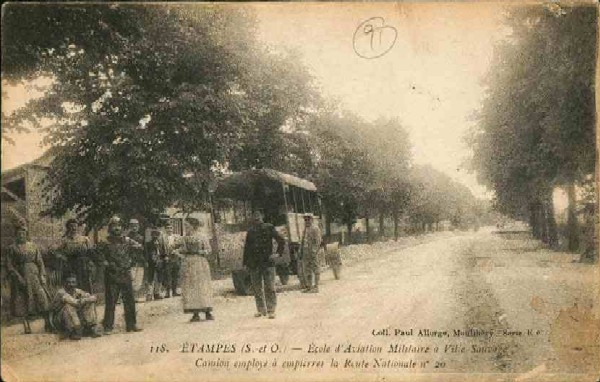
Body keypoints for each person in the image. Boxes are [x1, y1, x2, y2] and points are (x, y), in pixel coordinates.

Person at [98, 216, 143, 333]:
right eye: (114, 226)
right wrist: (105, 262)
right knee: (111, 300)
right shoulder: (105, 242)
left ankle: (131, 325)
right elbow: (97, 255)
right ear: (110, 228)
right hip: (112, 274)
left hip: (125, 273)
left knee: (129, 300)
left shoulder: (127, 240)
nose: (117, 228)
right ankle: (108, 326)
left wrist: (131, 260)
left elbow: (140, 248)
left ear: (122, 228)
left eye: (119, 226)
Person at [5, 225, 52, 334]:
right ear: (16, 235)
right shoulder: (12, 248)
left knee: (42, 297)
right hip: (21, 277)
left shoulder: (33, 247)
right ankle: (26, 325)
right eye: (19, 234)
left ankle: (48, 323)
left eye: (23, 233)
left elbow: (40, 262)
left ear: (26, 235)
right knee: (22, 300)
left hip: (34, 276)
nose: (21, 235)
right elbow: (9, 265)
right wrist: (18, 277)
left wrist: (42, 276)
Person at [242, 211, 285, 319]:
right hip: (254, 263)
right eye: (254, 217)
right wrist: (245, 263)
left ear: (262, 217)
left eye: (258, 216)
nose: (256, 218)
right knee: (257, 288)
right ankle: (261, 310)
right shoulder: (250, 231)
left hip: (267, 262)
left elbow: (281, 240)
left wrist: (277, 254)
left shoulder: (269, 227)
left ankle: (271, 310)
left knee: (270, 287)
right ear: (252, 218)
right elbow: (247, 248)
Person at [180, 218, 214, 321]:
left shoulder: (202, 236)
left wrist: (201, 251)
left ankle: (207, 311)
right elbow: (183, 250)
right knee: (191, 287)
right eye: (185, 226)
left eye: (187, 225)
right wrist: (181, 251)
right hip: (189, 263)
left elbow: (209, 250)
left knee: (202, 286)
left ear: (193, 225)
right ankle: (195, 313)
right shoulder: (185, 238)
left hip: (200, 263)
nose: (186, 227)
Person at [50, 275, 101, 340]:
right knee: (69, 306)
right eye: (69, 282)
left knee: (88, 302)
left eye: (73, 282)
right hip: (58, 319)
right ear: (64, 283)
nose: (71, 284)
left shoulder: (76, 290)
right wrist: (88, 299)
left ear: (76, 283)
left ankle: (90, 326)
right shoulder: (61, 292)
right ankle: (74, 330)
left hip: (68, 318)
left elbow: (86, 295)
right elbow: (75, 302)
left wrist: (90, 297)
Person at [60, 219, 95, 292]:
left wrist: (90, 264)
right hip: (71, 265)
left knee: (85, 283)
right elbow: (60, 253)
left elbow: (91, 253)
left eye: (75, 226)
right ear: (68, 228)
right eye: (71, 226)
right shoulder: (65, 240)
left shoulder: (84, 239)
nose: (74, 228)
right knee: (73, 283)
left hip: (83, 265)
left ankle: (87, 301)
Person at [299, 214, 323, 293]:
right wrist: (300, 251)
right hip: (305, 252)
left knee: (315, 269)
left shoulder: (315, 228)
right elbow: (302, 241)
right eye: (305, 220)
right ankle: (309, 287)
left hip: (312, 252)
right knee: (307, 270)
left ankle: (316, 287)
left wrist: (314, 251)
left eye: (308, 220)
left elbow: (318, 241)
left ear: (311, 220)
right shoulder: (305, 229)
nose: (306, 221)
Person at [127, 219, 147, 302]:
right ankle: (129, 297)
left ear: (138, 227)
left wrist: (145, 260)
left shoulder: (141, 237)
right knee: (131, 278)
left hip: (140, 261)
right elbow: (125, 249)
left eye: (136, 226)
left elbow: (144, 249)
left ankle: (135, 296)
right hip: (131, 261)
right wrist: (133, 247)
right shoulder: (126, 238)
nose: (134, 228)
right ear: (130, 227)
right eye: (132, 226)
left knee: (138, 280)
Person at [144, 229, 167, 300]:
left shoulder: (161, 244)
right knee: (150, 278)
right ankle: (149, 294)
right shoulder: (148, 244)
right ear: (151, 236)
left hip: (160, 262)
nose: (155, 236)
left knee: (159, 278)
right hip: (151, 262)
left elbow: (164, 252)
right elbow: (146, 254)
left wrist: (165, 257)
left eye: (157, 235)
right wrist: (146, 261)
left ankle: (157, 293)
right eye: (154, 235)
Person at [164, 223, 183, 298]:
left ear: (172, 229)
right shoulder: (163, 237)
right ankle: (168, 292)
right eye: (167, 228)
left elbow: (181, 246)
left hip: (175, 258)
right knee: (167, 275)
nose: (169, 230)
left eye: (170, 228)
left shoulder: (177, 237)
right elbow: (160, 248)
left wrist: (177, 251)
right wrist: (165, 255)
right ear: (165, 229)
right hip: (167, 258)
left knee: (175, 275)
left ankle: (174, 291)